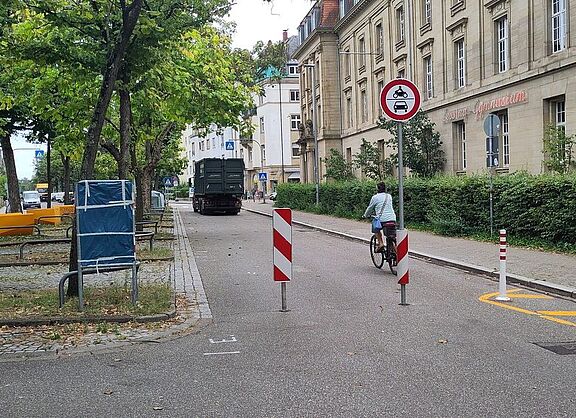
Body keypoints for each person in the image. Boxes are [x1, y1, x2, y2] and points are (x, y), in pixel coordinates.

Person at [363, 182, 396, 252]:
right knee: (391, 235)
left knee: (376, 227)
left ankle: (380, 243)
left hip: (381, 220)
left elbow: (370, 208)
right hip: (392, 218)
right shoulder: (389, 196)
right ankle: (395, 252)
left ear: (377, 189)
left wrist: (365, 215)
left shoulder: (375, 197)